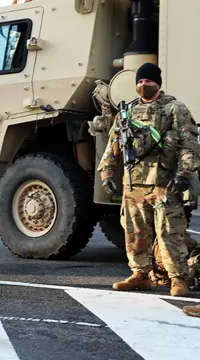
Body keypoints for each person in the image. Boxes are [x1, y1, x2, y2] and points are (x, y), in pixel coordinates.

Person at [98, 62, 199, 297]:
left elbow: (189, 145)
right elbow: (113, 145)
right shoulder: (127, 112)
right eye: (140, 82)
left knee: (169, 233)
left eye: (149, 81)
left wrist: (184, 174)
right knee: (134, 232)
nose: (144, 85)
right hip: (134, 184)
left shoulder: (175, 108)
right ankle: (140, 274)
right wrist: (106, 173)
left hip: (164, 183)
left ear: (158, 84)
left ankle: (178, 278)